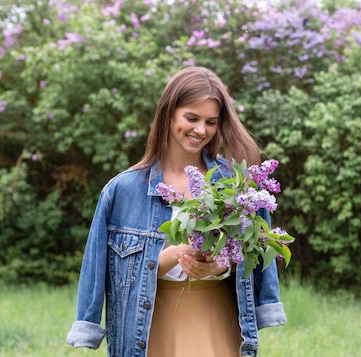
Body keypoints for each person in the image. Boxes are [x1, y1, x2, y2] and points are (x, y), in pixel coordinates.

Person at [66, 67, 286, 357]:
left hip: (216, 320)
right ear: (168, 113)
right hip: (147, 329)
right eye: (191, 118)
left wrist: (220, 265)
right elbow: (100, 269)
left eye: (211, 122)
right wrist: (170, 257)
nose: (201, 130)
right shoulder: (122, 190)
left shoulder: (238, 184)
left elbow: (254, 255)